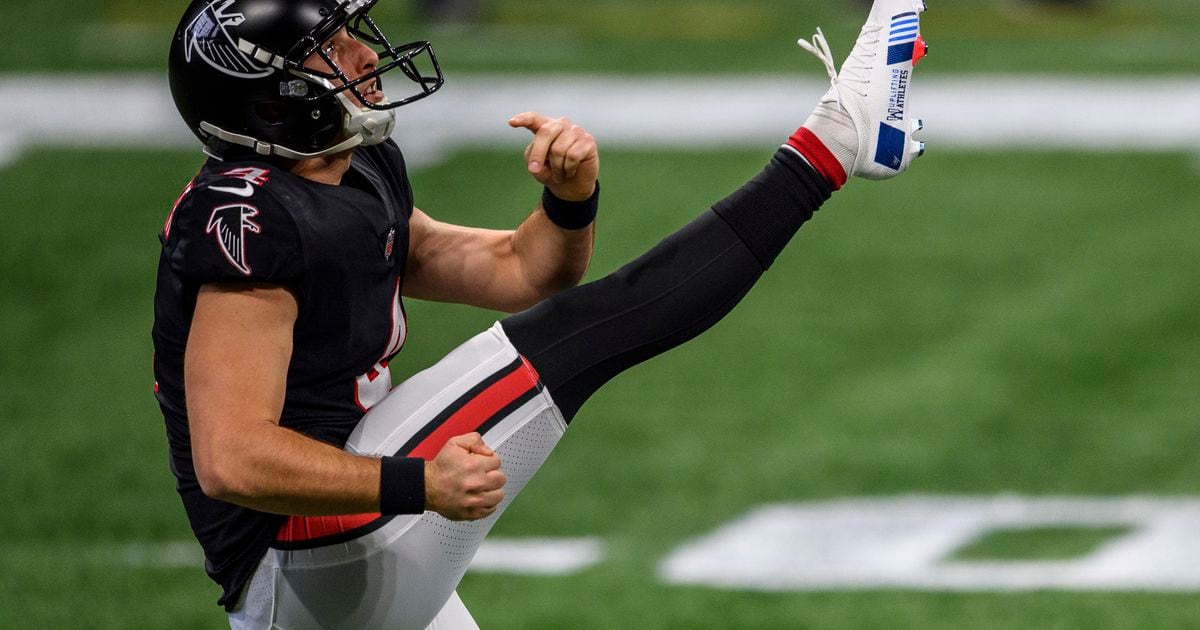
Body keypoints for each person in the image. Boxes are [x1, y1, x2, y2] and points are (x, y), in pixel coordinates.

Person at [153, 0, 928, 628]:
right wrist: (412, 483)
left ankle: (839, 139)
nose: (360, 54)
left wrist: (567, 200)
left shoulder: (348, 172)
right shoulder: (245, 217)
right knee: (590, 334)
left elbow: (522, 272)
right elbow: (234, 458)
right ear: (271, 98)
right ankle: (832, 141)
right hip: (303, 556)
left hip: (343, 553)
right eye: (330, 46)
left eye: (352, 31)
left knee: (579, 325)